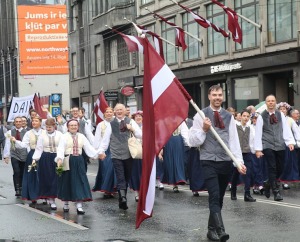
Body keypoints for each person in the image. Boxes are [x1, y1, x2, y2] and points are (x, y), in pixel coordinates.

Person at [189, 85, 246, 242]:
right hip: (208, 161)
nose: (217, 97)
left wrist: (239, 162)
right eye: (214, 95)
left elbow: (234, 142)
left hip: (225, 162)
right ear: (209, 96)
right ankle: (221, 231)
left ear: (223, 97)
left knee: (219, 197)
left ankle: (211, 230)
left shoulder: (229, 117)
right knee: (214, 195)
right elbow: (192, 141)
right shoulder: (200, 115)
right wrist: (204, 130)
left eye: (220, 95)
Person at [99, 103, 142, 210]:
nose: (119, 111)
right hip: (116, 154)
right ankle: (123, 197)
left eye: (121, 110)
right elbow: (105, 140)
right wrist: (101, 151)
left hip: (129, 154)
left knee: (126, 177)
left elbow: (140, 135)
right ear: (114, 111)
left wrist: (131, 128)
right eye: (117, 110)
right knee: (120, 176)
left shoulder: (130, 121)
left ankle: (122, 199)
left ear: (124, 111)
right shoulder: (111, 124)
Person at [55, 119, 101, 214]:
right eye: (71, 125)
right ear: (68, 127)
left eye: (75, 125)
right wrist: (59, 158)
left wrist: (97, 154)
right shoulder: (64, 137)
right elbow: (60, 149)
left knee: (80, 181)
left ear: (78, 126)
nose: (73, 127)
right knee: (66, 181)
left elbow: (88, 148)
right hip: (68, 160)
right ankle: (66, 204)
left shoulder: (81, 136)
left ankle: (79, 206)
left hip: (79, 160)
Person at [254, 95, 295, 202]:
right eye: (269, 101)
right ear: (266, 103)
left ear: (275, 102)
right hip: (267, 144)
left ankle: (268, 183)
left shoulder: (280, 114)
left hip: (280, 143)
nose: (271, 103)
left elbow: (285, 128)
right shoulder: (261, 116)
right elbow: (258, 133)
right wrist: (258, 149)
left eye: (273, 101)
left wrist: (289, 142)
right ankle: (276, 191)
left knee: (281, 167)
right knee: (272, 167)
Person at [32, 118, 63, 210]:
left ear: (54, 126)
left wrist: (60, 158)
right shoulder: (42, 135)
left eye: (50, 127)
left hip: (57, 157)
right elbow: (39, 148)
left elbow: (61, 147)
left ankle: (59, 198)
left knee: (57, 178)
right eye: (47, 127)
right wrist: (34, 159)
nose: (48, 128)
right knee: (48, 179)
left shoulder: (60, 135)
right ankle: (51, 199)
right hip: (46, 158)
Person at [13, 116, 45, 203]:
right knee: (32, 175)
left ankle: (45, 195)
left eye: (36, 121)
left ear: (40, 122)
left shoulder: (44, 132)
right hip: (32, 154)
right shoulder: (28, 133)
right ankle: (33, 195)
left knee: (43, 175)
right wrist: (15, 141)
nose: (34, 122)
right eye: (33, 121)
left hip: (43, 155)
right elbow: (24, 145)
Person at [231, 109, 256, 202]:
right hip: (237, 154)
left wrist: (254, 151)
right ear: (240, 117)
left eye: (247, 116)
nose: (246, 118)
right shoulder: (235, 127)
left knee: (248, 173)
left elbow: (252, 141)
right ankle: (233, 190)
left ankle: (247, 194)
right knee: (236, 173)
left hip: (247, 152)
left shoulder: (250, 128)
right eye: (244, 116)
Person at [92, 107, 116, 198]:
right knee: (106, 168)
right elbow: (97, 138)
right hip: (104, 149)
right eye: (107, 112)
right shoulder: (101, 125)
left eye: (111, 112)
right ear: (104, 114)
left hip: (115, 148)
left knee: (114, 168)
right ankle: (106, 189)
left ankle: (113, 187)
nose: (109, 113)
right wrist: (96, 151)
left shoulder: (116, 123)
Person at [160, 122, 189, 192]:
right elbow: (162, 134)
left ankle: (180, 178)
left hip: (178, 141)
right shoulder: (164, 121)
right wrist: (161, 147)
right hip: (168, 142)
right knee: (170, 162)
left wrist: (188, 144)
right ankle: (174, 184)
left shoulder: (181, 121)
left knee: (178, 161)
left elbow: (185, 133)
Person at [277, 102, 300, 189]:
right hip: (277, 144)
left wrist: (296, 142)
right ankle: (276, 180)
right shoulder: (275, 118)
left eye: (284, 109)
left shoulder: (290, 120)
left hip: (287, 145)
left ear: (287, 110)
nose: (282, 110)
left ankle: (284, 181)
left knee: (286, 163)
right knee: (277, 163)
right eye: (281, 109)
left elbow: (296, 132)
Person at [3, 117, 28, 197]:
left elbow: (27, 144)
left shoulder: (26, 132)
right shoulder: (10, 132)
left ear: (22, 123)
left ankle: (21, 187)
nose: (18, 123)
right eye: (16, 122)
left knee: (22, 172)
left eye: (20, 121)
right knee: (16, 171)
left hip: (24, 154)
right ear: (14, 123)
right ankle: (17, 189)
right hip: (14, 154)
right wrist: (6, 156)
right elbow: (7, 143)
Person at [129, 110, 143, 202]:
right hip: (134, 152)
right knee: (135, 172)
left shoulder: (147, 126)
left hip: (145, 151)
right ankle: (136, 193)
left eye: (140, 116)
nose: (138, 118)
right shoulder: (130, 126)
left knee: (144, 173)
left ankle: (144, 192)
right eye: (136, 116)